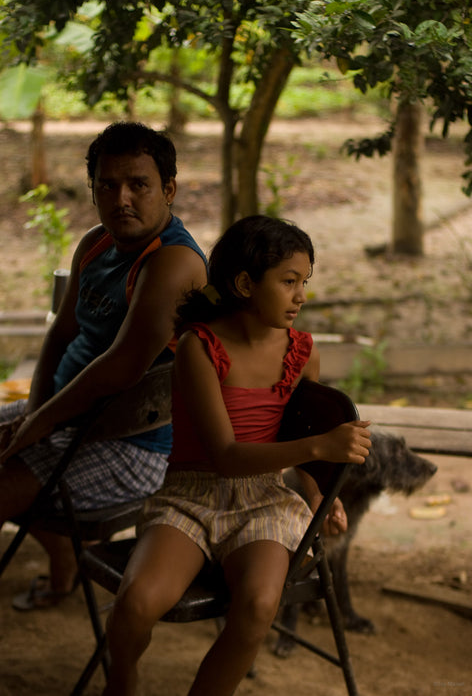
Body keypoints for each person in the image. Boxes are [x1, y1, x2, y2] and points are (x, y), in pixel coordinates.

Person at [103, 215, 371, 696]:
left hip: (264, 500)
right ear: (246, 283)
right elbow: (225, 456)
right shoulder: (198, 347)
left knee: (258, 605)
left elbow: (298, 432)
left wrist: (319, 491)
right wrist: (318, 448)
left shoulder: (301, 353)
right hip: (192, 496)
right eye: (289, 282)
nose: (301, 296)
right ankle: (120, 686)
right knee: (135, 605)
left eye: (304, 282)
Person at [0, 121, 207, 608]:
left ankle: (63, 565)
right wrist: (34, 409)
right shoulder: (96, 243)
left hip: (131, 445)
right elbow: (63, 330)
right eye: (107, 185)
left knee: (4, 483)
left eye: (139, 185)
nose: (122, 199)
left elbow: (123, 367)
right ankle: (64, 567)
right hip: (63, 419)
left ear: (168, 190)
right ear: (93, 191)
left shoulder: (173, 263)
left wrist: (39, 422)